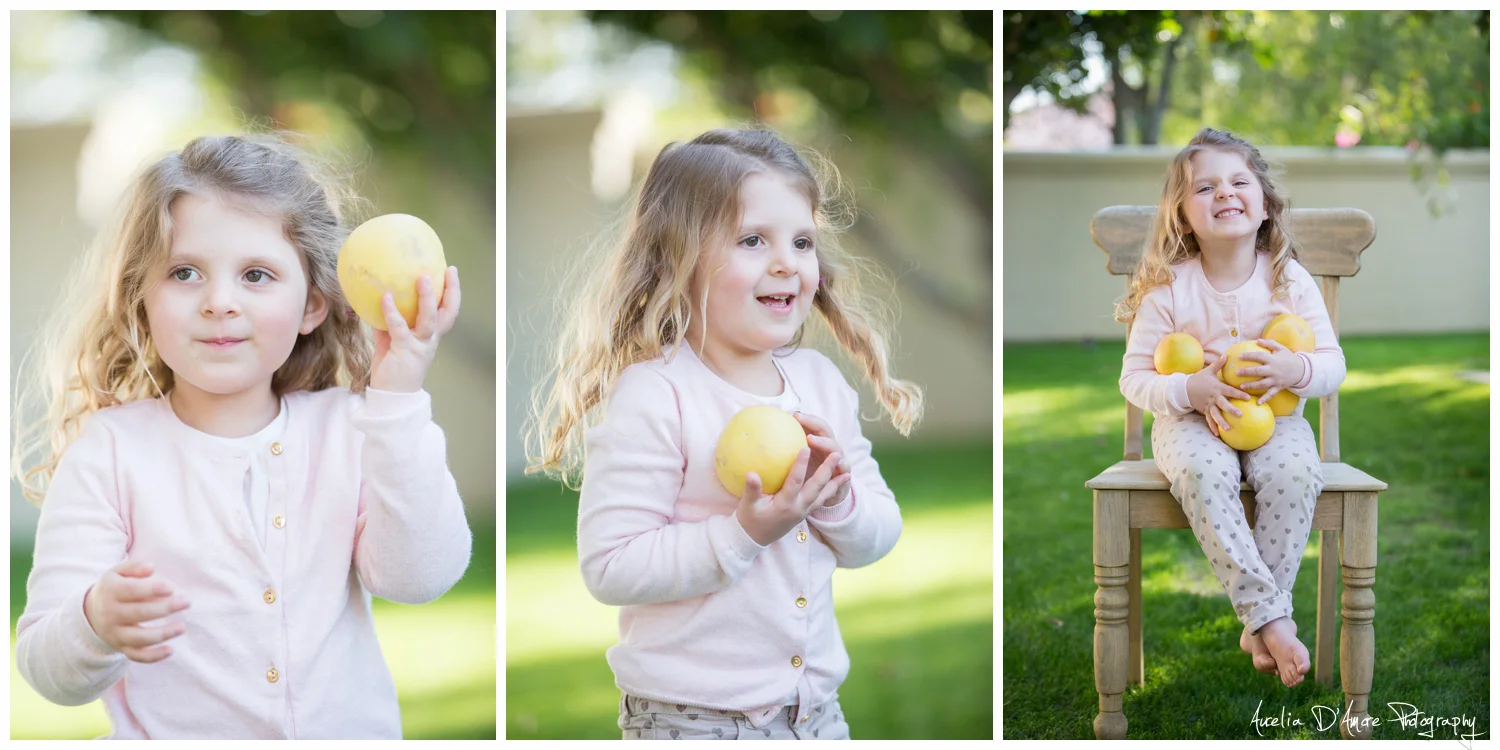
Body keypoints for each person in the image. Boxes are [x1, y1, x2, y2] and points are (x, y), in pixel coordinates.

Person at [11, 134, 472, 738]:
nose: (220, 302)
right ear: (139, 298)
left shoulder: (352, 429)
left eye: (256, 274)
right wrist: (94, 621)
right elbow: (48, 669)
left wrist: (399, 396)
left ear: (312, 305)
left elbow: (421, 577)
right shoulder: (111, 453)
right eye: (184, 273)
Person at [526, 128, 923, 739]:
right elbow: (611, 566)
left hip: (814, 715)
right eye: (752, 240)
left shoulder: (818, 385)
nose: (786, 262)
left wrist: (839, 499)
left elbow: (877, 536)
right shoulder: (657, 395)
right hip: (690, 720)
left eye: (801, 241)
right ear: (677, 260)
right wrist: (745, 533)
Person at [1116, 127, 1345, 688]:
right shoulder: (1168, 289)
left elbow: (1334, 364)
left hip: (1278, 420)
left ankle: (1259, 618)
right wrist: (1187, 391)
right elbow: (1134, 379)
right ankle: (1273, 618)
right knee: (1203, 470)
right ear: (1180, 215)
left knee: (1296, 472)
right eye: (1205, 187)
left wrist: (1297, 370)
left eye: (1239, 181)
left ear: (1265, 205)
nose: (1225, 193)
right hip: (1190, 423)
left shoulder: (1288, 280)